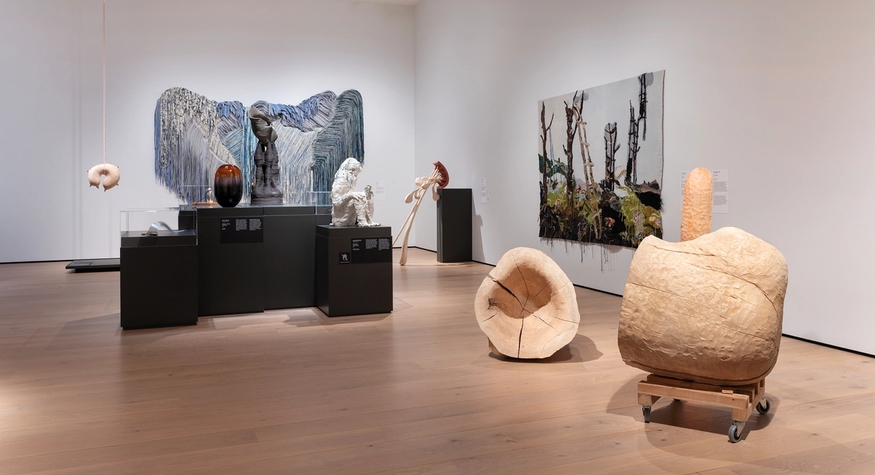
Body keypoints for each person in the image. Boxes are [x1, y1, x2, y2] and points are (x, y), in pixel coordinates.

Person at [330, 158, 378, 227]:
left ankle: (370, 221)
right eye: (354, 172)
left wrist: (364, 193)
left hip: (349, 216)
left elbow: (352, 194)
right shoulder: (340, 181)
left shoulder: (351, 180)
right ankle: (362, 222)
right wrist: (350, 195)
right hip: (340, 216)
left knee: (367, 197)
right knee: (358, 198)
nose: (355, 176)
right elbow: (336, 202)